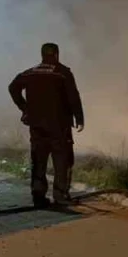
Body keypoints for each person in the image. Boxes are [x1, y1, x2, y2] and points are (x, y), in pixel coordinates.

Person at [8, 43, 85, 208]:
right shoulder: (62, 73)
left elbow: (12, 88)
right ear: (57, 54)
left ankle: (38, 197)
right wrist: (79, 117)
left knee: (39, 162)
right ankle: (61, 196)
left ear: (42, 55)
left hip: (37, 126)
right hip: (59, 126)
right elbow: (73, 96)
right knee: (62, 161)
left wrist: (25, 108)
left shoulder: (30, 73)